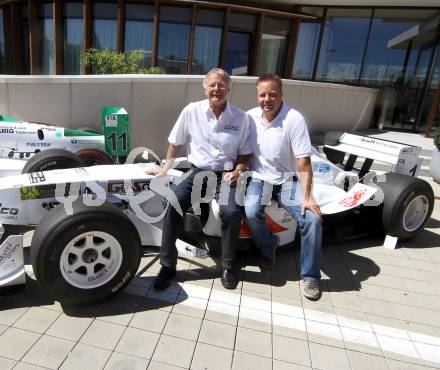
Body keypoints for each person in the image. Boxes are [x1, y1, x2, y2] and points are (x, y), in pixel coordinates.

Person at [147, 68, 251, 290]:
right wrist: (165, 168)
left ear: (229, 89)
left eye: (221, 85)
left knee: (231, 212)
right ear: (205, 88)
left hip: (226, 175)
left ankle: (228, 266)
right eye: (212, 84)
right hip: (198, 172)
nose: (217, 89)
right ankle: (167, 265)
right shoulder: (191, 111)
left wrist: (238, 170)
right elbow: (175, 143)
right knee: (173, 204)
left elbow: (245, 153)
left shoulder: (241, 117)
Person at [245, 74, 323, 300]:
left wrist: (308, 196)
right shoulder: (250, 117)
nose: (267, 99)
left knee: (312, 219)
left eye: (272, 94)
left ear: (281, 95)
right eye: (262, 94)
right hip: (260, 179)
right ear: (257, 95)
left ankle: (310, 276)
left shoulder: (293, 118)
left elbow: (303, 161)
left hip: (288, 181)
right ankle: (270, 247)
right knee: (250, 211)